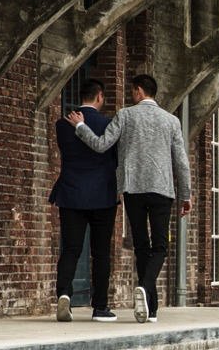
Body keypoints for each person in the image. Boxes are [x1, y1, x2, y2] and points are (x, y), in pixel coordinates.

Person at [65, 74, 191, 323]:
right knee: (160, 247)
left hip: (132, 190)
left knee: (141, 246)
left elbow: (101, 145)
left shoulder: (124, 115)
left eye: (133, 91)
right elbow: (181, 162)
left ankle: (150, 307)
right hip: (161, 191)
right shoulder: (172, 121)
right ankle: (147, 295)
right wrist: (186, 194)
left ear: (139, 91)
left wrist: (80, 126)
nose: (131, 95)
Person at [49, 78, 119, 322]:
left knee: (70, 249)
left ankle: (64, 294)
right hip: (102, 196)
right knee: (100, 253)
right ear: (100, 97)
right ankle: (100, 307)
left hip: (71, 193)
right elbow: (114, 157)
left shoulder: (61, 125)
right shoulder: (109, 124)